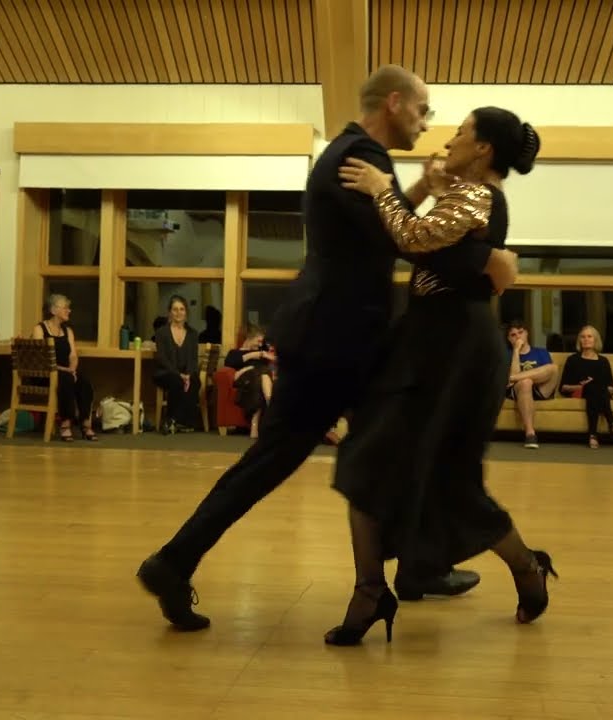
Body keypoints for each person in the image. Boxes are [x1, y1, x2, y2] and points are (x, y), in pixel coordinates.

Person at [136, 65, 520, 631]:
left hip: (337, 337)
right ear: (394, 103)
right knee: (285, 459)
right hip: (335, 342)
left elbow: (375, 234)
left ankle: (410, 569)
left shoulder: (349, 152)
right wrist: (485, 261)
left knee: (395, 449)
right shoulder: (362, 160)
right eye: (421, 110)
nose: (426, 123)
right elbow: (404, 240)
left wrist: (411, 191)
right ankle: (174, 561)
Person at [324, 107, 556, 646]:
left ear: (484, 150)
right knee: (372, 459)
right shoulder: (468, 194)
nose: (449, 138)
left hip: (455, 350)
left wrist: (386, 187)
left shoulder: (479, 196)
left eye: (462, 133)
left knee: (445, 477)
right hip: (430, 341)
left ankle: (525, 565)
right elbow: (439, 245)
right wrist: (428, 184)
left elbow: (412, 237)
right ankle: (369, 589)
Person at [32, 293, 96, 441]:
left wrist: (72, 369)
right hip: (44, 374)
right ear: (53, 310)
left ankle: (85, 423)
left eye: (69, 308)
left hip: (66, 372)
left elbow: (73, 355)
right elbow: (42, 359)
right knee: (66, 379)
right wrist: (65, 370)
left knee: (84, 382)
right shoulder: (40, 329)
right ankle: (65, 424)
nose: (69, 310)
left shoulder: (68, 331)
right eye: (65, 308)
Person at [559, 325, 613, 449]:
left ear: (595, 340)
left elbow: (612, 387)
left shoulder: (603, 361)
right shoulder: (572, 360)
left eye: (589, 336)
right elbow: (563, 387)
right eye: (583, 337)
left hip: (599, 393)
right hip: (577, 392)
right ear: (579, 341)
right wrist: (580, 386)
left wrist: (602, 387)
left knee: (595, 388)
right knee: (592, 387)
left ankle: (593, 435)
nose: (586, 339)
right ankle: (612, 423)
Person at [504, 319, 558, 449]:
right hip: (518, 391)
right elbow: (511, 384)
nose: (518, 337)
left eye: (520, 333)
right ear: (509, 339)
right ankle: (530, 434)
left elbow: (549, 372)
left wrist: (514, 378)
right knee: (526, 382)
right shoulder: (507, 355)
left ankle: (517, 378)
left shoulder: (540, 352)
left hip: (540, 389)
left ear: (526, 333)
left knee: (553, 368)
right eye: (513, 335)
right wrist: (516, 351)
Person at [152, 295, 202, 433]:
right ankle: (176, 420)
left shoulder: (193, 334)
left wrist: (188, 375)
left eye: (181, 309)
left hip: (186, 373)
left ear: (186, 312)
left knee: (195, 381)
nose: (178, 313)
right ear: (169, 312)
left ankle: (176, 421)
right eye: (175, 309)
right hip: (166, 372)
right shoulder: (161, 333)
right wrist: (179, 374)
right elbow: (162, 359)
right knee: (176, 381)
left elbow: (193, 359)